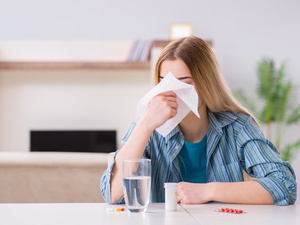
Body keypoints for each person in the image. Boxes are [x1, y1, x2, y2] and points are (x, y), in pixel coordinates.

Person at [101, 36, 297, 206]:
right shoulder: (147, 128)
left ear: (206, 83)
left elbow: (284, 184)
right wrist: (144, 126)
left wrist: (208, 191)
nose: (172, 92)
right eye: (164, 82)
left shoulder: (237, 127)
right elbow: (112, 194)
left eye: (184, 83)